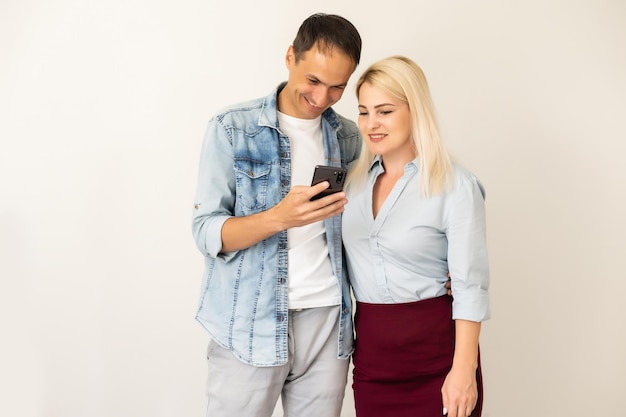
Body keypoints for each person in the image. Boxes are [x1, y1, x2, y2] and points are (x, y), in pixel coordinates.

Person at [191, 13, 362, 417]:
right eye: (314, 81)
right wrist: (280, 217)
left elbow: (366, 224)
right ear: (290, 56)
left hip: (326, 323)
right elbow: (206, 232)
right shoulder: (232, 128)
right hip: (248, 323)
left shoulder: (350, 137)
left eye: (338, 87)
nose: (322, 98)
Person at [342, 56, 490, 417]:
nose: (371, 124)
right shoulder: (350, 185)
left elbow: (470, 286)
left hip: (438, 360)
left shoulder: (456, 185)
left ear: (415, 111)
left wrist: (463, 371)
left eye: (385, 111)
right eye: (363, 112)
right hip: (373, 362)